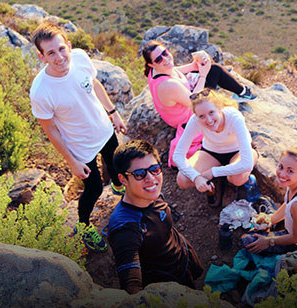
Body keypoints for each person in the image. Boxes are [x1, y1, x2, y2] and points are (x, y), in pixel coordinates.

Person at [30, 22, 127, 252]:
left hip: (105, 130)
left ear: (69, 46)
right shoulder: (41, 91)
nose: (59, 57)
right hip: (81, 148)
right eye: (51, 53)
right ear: (41, 56)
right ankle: (83, 227)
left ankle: (118, 189)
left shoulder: (80, 59)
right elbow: (51, 129)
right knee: (92, 189)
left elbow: (93, 84)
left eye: (62, 49)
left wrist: (113, 113)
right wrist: (72, 161)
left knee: (115, 164)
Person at [107, 140, 203, 293]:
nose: (151, 178)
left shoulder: (151, 194)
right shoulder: (125, 229)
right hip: (166, 284)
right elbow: (131, 285)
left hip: (181, 259)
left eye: (155, 169)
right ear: (123, 179)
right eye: (139, 174)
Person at [141, 40, 256, 167]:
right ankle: (243, 92)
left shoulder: (155, 72)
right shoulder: (169, 85)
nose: (165, 59)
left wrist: (192, 66)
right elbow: (195, 101)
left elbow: (173, 70)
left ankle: (242, 91)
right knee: (215, 71)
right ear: (151, 64)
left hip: (177, 108)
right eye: (158, 59)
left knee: (212, 69)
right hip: (187, 114)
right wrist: (202, 74)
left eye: (165, 53)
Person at [173, 88, 258, 206]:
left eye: (211, 112)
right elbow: (177, 155)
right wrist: (196, 177)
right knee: (182, 179)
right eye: (201, 116)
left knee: (238, 178)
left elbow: (247, 163)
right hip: (211, 152)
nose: (208, 120)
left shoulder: (234, 116)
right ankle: (216, 184)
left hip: (238, 151)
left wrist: (213, 172)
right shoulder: (195, 121)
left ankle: (230, 182)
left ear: (219, 108)